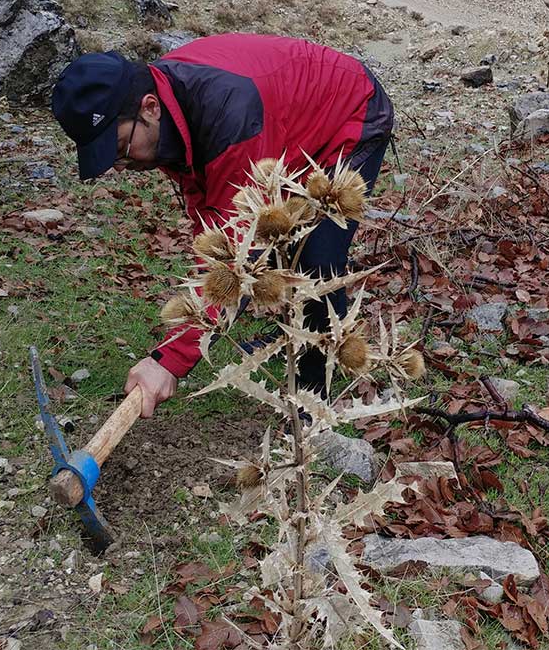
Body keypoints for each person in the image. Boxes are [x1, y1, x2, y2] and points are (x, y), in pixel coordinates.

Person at [50, 33, 394, 417]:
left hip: (348, 114)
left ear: (149, 108)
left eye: (118, 150)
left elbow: (240, 256)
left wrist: (169, 359)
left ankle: (315, 396)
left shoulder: (229, 116)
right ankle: (292, 335)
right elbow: (209, 203)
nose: (117, 166)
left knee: (316, 259)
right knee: (281, 243)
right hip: (283, 124)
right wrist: (208, 282)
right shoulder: (168, 109)